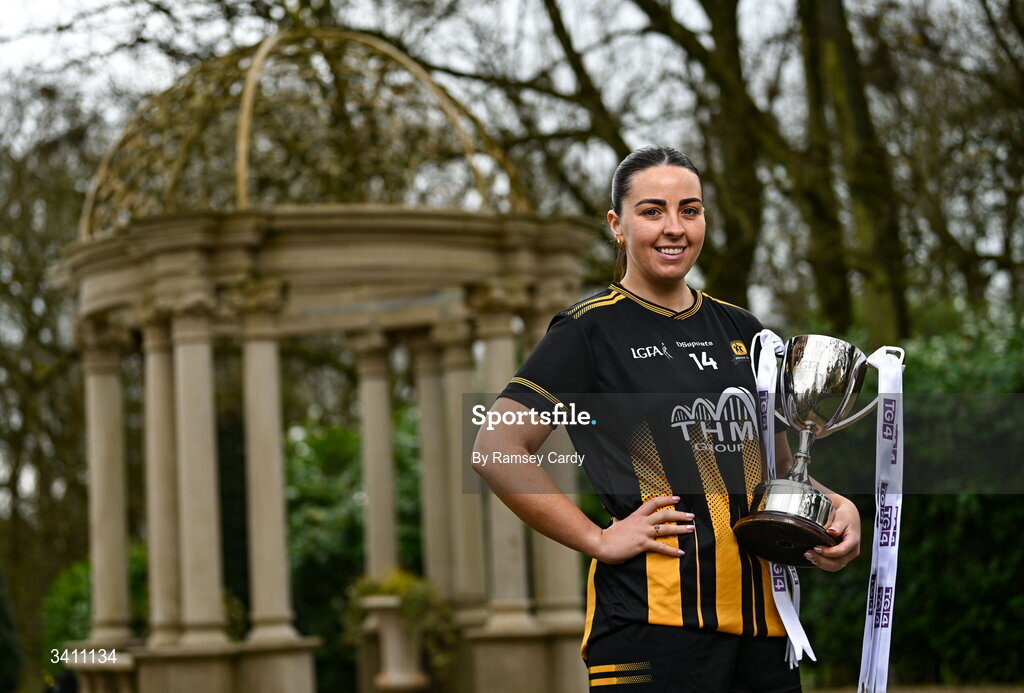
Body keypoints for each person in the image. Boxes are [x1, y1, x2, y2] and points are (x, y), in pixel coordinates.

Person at [471, 146, 861, 692]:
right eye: (652, 211)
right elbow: (496, 448)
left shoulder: (744, 330)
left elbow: (778, 469)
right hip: (652, 628)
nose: (674, 228)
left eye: (690, 210)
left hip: (765, 628)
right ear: (618, 225)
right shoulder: (588, 331)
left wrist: (834, 508)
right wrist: (598, 538)